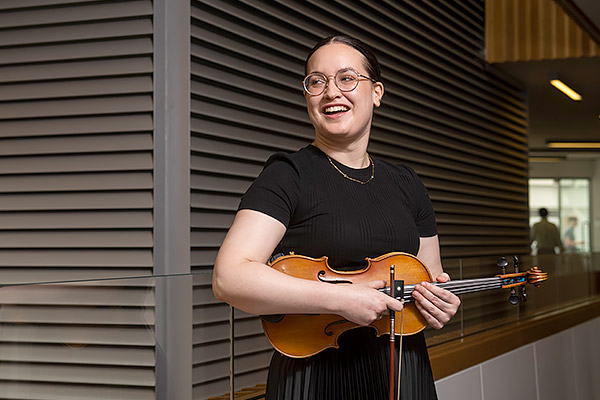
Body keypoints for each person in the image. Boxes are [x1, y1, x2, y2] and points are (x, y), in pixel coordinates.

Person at [212, 35, 460, 400]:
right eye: (317, 81)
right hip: (316, 376)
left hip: (403, 370)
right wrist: (339, 298)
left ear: (376, 92)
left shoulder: (407, 183)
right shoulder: (288, 174)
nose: (331, 92)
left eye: (346, 78)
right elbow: (229, 277)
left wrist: (440, 306)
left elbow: (427, 279)